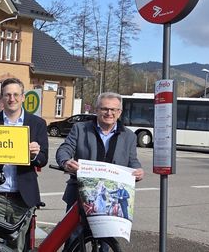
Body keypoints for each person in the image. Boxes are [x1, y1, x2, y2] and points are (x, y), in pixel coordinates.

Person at [56, 92, 144, 251]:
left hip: (110, 198)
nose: (109, 113)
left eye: (113, 109)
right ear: (96, 110)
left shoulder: (129, 136)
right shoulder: (80, 129)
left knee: (105, 241)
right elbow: (65, 149)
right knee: (74, 237)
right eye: (104, 109)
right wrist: (66, 162)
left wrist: (138, 171)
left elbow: (132, 160)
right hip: (79, 194)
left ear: (120, 112)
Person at [0, 78, 48, 252]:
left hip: (22, 197)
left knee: (17, 247)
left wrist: (35, 155)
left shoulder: (37, 123)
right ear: (1, 98)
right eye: (7, 95)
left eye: (15, 95)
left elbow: (43, 159)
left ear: (23, 97)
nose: (11, 99)